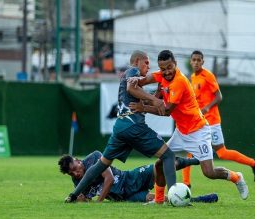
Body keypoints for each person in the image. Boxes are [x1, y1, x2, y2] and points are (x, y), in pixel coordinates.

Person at [128, 50, 249, 201]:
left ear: (175, 64)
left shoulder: (179, 81)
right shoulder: (161, 74)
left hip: (198, 131)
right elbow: (144, 80)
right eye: (163, 68)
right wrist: (134, 80)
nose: (166, 72)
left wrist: (143, 107)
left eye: (169, 67)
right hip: (182, 131)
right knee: (160, 164)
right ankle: (158, 200)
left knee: (209, 172)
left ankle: (237, 177)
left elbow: (166, 111)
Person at [64, 50, 177, 203]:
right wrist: (155, 100)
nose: (148, 67)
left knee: (101, 164)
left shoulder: (132, 79)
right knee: (168, 156)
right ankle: (176, 196)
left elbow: (140, 97)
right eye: (147, 63)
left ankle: (73, 195)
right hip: (133, 125)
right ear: (137, 61)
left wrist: (156, 95)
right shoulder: (132, 70)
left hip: (120, 128)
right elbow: (132, 88)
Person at [180, 50, 255, 188]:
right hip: (199, 122)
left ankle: (253, 163)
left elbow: (219, 97)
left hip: (211, 121)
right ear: (191, 61)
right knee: (190, 149)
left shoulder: (208, 76)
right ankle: (186, 183)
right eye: (194, 60)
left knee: (222, 153)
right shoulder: (192, 77)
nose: (196, 62)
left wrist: (206, 107)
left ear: (203, 62)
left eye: (199, 60)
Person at [59, 151, 219, 203]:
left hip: (130, 178)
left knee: (161, 165)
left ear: (78, 161)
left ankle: (197, 159)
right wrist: (82, 200)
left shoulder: (94, 157)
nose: (76, 173)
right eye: (71, 173)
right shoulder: (77, 181)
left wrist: (99, 202)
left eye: (75, 168)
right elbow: (85, 197)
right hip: (125, 197)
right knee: (158, 199)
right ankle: (201, 199)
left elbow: (108, 179)